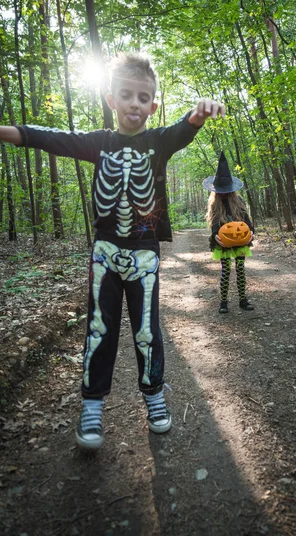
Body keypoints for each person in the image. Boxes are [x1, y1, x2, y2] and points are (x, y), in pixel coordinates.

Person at [0, 52, 225, 450]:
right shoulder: (97, 143)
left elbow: (186, 127)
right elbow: (50, 137)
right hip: (104, 253)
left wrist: (200, 113)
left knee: (146, 329)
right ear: (111, 100)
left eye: (143, 98)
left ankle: (153, 396)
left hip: (145, 254)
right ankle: (91, 406)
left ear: (152, 105)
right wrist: (8, 130)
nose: (134, 104)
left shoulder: (159, 142)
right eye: (127, 95)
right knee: (99, 330)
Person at [203, 151, 255, 314]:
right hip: (223, 241)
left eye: (226, 190)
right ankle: (223, 302)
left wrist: (251, 231)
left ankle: (243, 300)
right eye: (221, 190)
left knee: (240, 269)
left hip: (240, 240)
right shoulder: (214, 204)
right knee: (226, 271)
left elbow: (246, 219)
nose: (224, 193)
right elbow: (214, 222)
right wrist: (215, 235)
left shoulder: (238, 201)